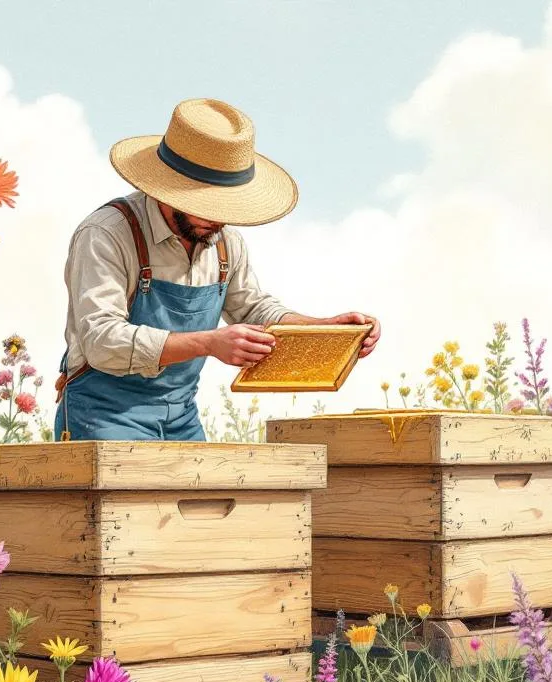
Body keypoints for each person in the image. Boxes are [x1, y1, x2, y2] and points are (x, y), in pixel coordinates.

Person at [53, 98, 380, 441]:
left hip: (181, 418)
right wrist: (208, 342)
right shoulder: (106, 234)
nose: (215, 218)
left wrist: (325, 328)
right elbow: (101, 340)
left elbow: (252, 309)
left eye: (225, 205)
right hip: (103, 416)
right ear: (167, 186)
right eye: (203, 204)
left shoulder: (226, 242)